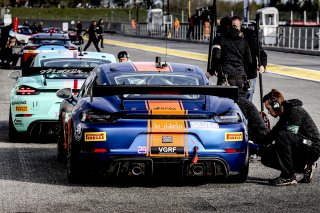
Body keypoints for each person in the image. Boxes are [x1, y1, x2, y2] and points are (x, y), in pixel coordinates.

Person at [258, 89, 320, 186]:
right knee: (266, 155)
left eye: (268, 109)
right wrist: (256, 144)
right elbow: (273, 134)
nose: (268, 112)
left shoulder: (295, 111)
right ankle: (305, 167)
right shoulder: (285, 114)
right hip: (300, 145)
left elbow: (288, 137)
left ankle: (288, 176)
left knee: (282, 136)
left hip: (312, 147)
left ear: (276, 105)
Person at [207, 16, 252, 90]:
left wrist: (212, 71)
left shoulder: (219, 39)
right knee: (240, 100)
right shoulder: (243, 40)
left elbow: (216, 57)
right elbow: (249, 60)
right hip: (241, 78)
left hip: (226, 78)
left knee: (223, 101)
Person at [232, 16, 268, 102]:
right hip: (233, 75)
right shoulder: (228, 37)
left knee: (247, 101)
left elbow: (261, 53)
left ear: (241, 26)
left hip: (249, 75)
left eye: (236, 26)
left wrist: (262, 65)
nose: (234, 29)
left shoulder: (250, 37)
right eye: (232, 26)